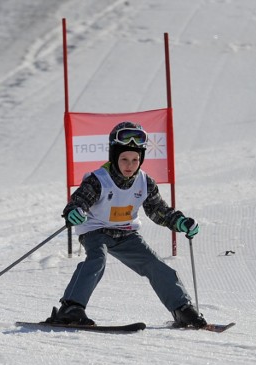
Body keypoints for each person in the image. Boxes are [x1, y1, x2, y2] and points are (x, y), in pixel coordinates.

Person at [48, 121, 206, 328]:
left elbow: (159, 211)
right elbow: (79, 201)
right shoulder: (98, 180)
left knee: (155, 265)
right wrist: (74, 212)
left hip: (126, 233)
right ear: (114, 157)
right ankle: (71, 308)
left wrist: (180, 222)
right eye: (124, 159)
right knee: (97, 259)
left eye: (135, 159)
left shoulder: (145, 182)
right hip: (96, 230)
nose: (129, 165)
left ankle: (183, 309)